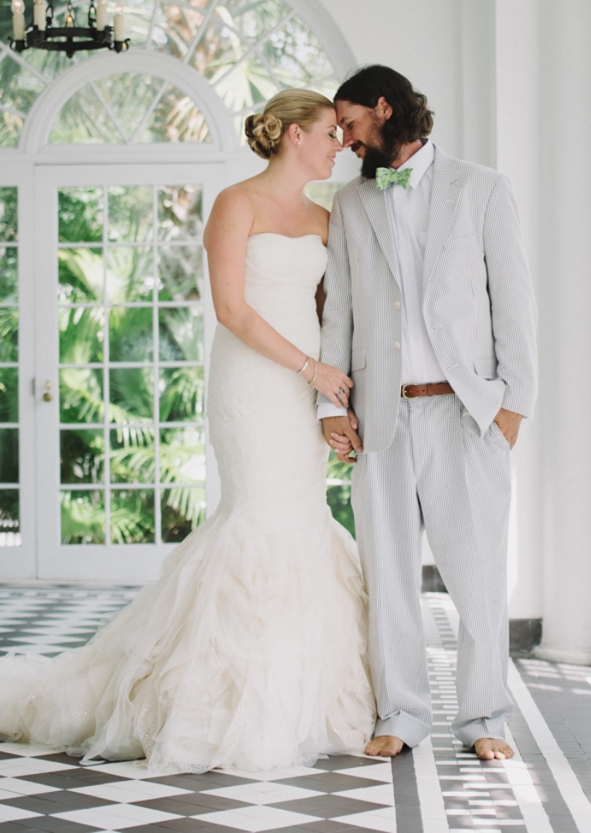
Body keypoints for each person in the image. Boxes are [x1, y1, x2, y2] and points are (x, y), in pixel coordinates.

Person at [0, 89, 375, 775]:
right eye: (329, 133)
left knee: (302, 517)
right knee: (256, 516)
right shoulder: (238, 203)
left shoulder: (328, 216)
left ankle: (304, 698)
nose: (340, 144)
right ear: (293, 136)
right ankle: (214, 702)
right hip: (255, 382)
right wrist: (309, 368)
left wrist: (333, 398)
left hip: (308, 385)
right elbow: (231, 308)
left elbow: (335, 312)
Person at [318, 65, 538, 761]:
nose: (347, 141)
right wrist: (332, 405)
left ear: (385, 109)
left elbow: (515, 304)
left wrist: (514, 407)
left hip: (466, 415)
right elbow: (343, 311)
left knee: (477, 576)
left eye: (351, 124)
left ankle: (483, 720)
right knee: (388, 578)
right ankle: (401, 713)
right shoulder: (352, 204)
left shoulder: (483, 188)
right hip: (382, 417)